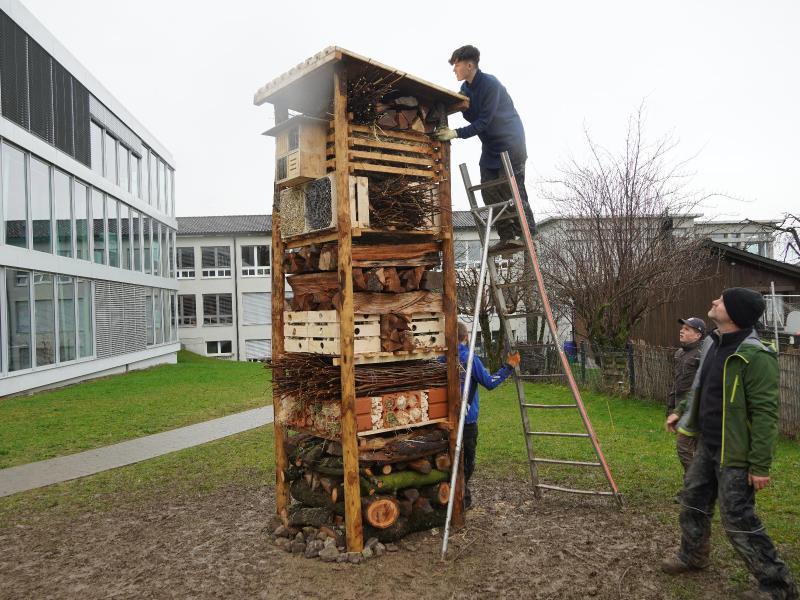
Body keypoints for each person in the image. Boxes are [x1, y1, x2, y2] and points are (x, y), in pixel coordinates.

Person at [663, 288, 798, 600]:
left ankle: (778, 586)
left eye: (721, 301)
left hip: (735, 453)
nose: (713, 302)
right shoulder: (714, 345)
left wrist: (760, 465)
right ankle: (692, 556)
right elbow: (700, 388)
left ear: (735, 313)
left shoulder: (756, 356)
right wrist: (681, 413)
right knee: (692, 502)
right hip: (708, 445)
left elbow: (766, 414)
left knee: (738, 520)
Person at [435, 45, 536, 252]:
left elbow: (484, 122)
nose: (454, 70)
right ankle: (507, 236)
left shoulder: (491, 85)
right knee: (489, 190)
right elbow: (464, 107)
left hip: (511, 144)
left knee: (512, 190)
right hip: (490, 147)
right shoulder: (466, 89)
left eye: (457, 65)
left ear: (470, 65)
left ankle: (528, 233)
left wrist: (456, 133)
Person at [450, 322, 520, 508]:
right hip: (467, 420)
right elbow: (489, 382)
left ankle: (458, 497)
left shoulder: (442, 358)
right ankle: (462, 499)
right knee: (467, 462)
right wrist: (509, 367)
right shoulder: (469, 358)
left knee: (449, 459)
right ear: (466, 337)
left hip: (445, 419)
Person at [668, 317, 706, 473]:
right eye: (682, 328)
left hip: (697, 409)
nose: (681, 331)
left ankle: (695, 485)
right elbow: (676, 384)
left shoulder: (701, 355)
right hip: (681, 407)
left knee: (685, 447)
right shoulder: (679, 354)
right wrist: (671, 408)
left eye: (687, 329)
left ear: (698, 335)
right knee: (692, 449)